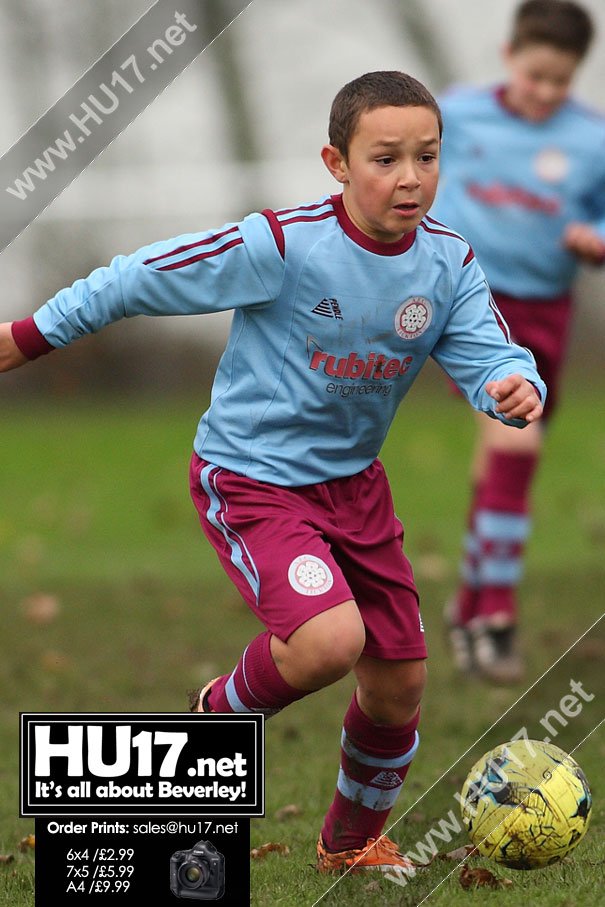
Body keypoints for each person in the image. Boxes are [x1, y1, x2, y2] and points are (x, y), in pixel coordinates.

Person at [0, 71, 545, 878]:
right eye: (384, 158)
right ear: (335, 162)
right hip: (252, 478)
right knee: (329, 641)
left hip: (356, 489)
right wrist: (28, 334)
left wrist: (511, 383)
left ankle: (350, 843)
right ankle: (213, 718)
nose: (408, 178)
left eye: (426, 157)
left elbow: (487, 352)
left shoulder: (445, 264)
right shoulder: (283, 244)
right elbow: (136, 276)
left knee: (397, 686)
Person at [431, 0, 605, 684]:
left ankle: (466, 605)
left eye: (559, 81)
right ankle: (495, 615)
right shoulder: (456, 115)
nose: (544, 92)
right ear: (508, 56)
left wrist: (594, 238)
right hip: (473, 306)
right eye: (534, 75)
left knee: (499, 459)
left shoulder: (591, 141)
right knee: (514, 438)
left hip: (546, 313)